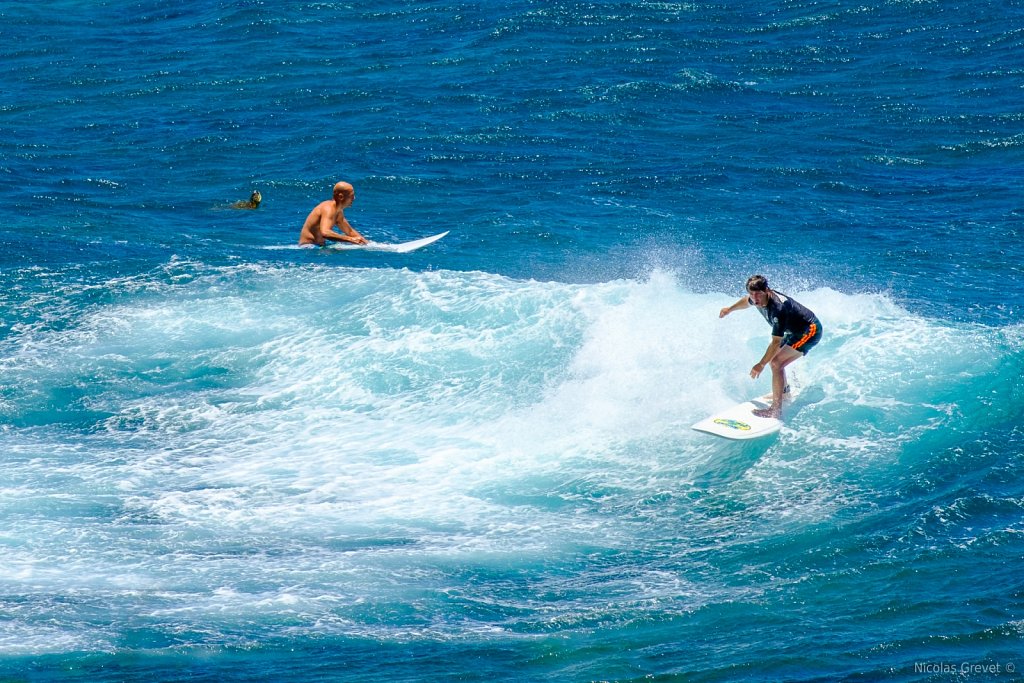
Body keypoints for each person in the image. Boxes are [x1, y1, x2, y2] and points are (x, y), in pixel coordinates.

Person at [718, 275, 822, 419]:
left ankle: (775, 410)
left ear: (766, 290)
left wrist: (761, 364)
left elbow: (775, 342)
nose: (755, 299)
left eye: (758, 294)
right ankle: (784, 392)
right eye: (752, 294)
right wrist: (730, 309)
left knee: (775, 362)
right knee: (774, 360)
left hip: (809, 331)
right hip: (792, 330)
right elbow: (746, 301)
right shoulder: (755, 298)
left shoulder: (778, 309)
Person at [298, 181, 369, 246]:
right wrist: (350, 239)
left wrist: (367, 244)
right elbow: (325, 232)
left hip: (319, 247)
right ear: (341, 197)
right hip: (308, 247)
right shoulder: (328, 208)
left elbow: (349, 231)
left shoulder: (338, 211)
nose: (354, 198)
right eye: (351, 196)